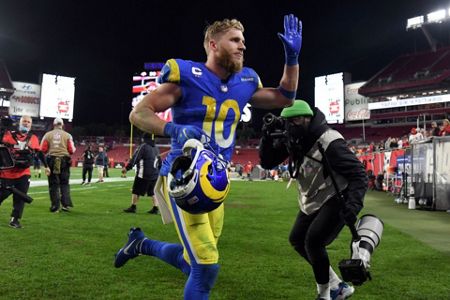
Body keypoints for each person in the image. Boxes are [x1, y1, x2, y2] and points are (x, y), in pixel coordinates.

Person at [115, 14, 302, 299]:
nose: (243, 46)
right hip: (183, 176)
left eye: (243, 41)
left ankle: (140, 244)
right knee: (206, 265)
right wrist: (173, 129)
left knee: (194, 260)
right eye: (235, 40)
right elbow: (138, 113)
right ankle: (144, 246)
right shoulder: (187, 76)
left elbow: (284, 97)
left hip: (216, 178)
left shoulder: (246, 80)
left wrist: (292, 59)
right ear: (213, 44)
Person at [259, 100, 368, 300]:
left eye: (296, 120)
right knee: (297, 239)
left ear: (308, 119)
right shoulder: (295, 139)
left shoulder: (330, 141)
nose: (291, 125)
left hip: (336, 194)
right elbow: (267, 162)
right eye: (288, 121)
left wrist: (353, 205)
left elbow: (359, 174)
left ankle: (324, 295)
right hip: (313, 197)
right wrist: (266, 138)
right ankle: (337, 286)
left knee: (314, 241)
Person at [0, 115, 43, 228]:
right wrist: (2, 128)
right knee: (1, 195)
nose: (26, 123)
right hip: (7, 173)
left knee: (20, 198)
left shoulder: (33, 138)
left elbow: (39, 153)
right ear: (19, 122)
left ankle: (15, 219)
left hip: (23, 173)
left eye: (29, 122)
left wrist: (47, 166)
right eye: (24, 121)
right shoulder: (8, 134)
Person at [40, 117, 76, 212]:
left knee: (53, 184)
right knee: (64, 183)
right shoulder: (68, 135)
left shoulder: (47, 135)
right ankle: (66, 205)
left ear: (53, 124)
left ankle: (55, 206)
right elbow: (72, 150)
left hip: (52, 160)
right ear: (62, 125)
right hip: (64, 160)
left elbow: (42, 149)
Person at [122, 133, 160, 214]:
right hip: (155, 174)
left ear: (144, 139)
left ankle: (133, 207)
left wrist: (127, 168)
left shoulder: (143, 146)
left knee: (136, 190)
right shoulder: (156, 148)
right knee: (152, 191)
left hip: (144, 174)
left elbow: (136, 158)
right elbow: (159, 161)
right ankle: (155, 208)